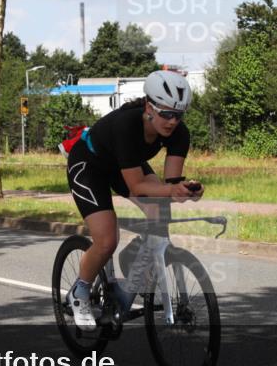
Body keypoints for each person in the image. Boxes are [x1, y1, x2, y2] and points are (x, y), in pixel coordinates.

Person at [65, 70, 203, 330]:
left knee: (159, 211)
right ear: (149, 106)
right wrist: (172, 191)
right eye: (166, 113)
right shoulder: (127, 125)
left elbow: (170, 186)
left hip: (124, 164)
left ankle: (135, 258)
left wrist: (186, 190)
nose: (172, 121)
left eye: (179, 114)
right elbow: (137, 186)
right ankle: (79, 292)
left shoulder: (179, 133)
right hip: (89, 165)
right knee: (106, 240)